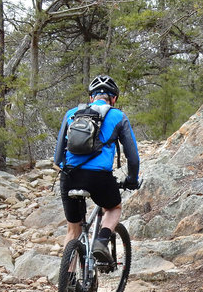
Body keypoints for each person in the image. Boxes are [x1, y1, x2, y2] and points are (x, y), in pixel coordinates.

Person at [54, 74, 140, 263]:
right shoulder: (118, 116)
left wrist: (68, 171)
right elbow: (132, 157)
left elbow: (57, 156)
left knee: (73, 230)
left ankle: (68, 286)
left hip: (69, 177)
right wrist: (132, 179)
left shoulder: (71, 114)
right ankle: (101, 241)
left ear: (91, 98)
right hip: (99, 178)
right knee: (114, 208)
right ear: (114, 98)